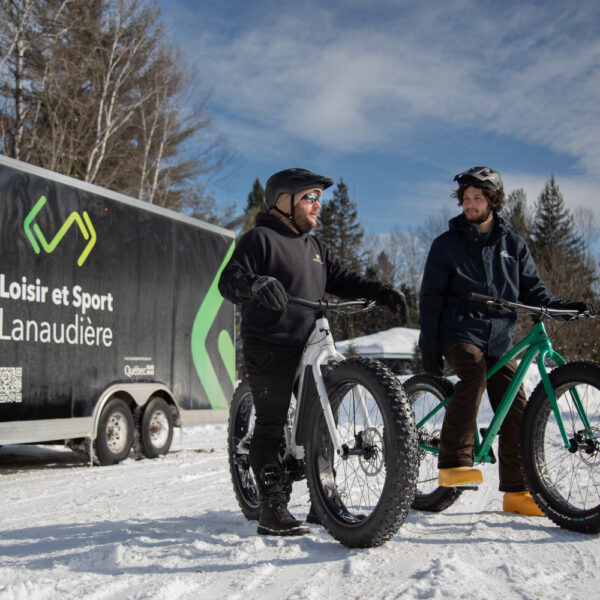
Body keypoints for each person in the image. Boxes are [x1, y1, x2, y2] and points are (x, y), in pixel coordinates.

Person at [218, 167, 408, 536]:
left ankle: (322, 502)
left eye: (319, 199)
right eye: (310, 197)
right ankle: (272, 507)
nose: (317, 205)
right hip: (269, 344)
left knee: (323, 422)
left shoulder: (315, 247)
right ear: (283, 201)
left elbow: (344, 279)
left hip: (310, 344)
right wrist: (255, 283)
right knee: (271, 423)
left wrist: (380, 291)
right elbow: (229, 280)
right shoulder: (259, 239)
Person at [418, 166, 596, 517]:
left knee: (517, 406)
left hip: (499, 338)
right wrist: (429, 345)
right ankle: (453, 461)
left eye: (477, 198)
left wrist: (564, 309)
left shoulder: (513, 245)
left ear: (493, 201)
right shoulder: (446, 245)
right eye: (466, 198)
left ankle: (517, 490)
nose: (470, 204)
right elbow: (430, 298)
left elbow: (535, 291)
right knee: (473, 375)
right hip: (460, 332)